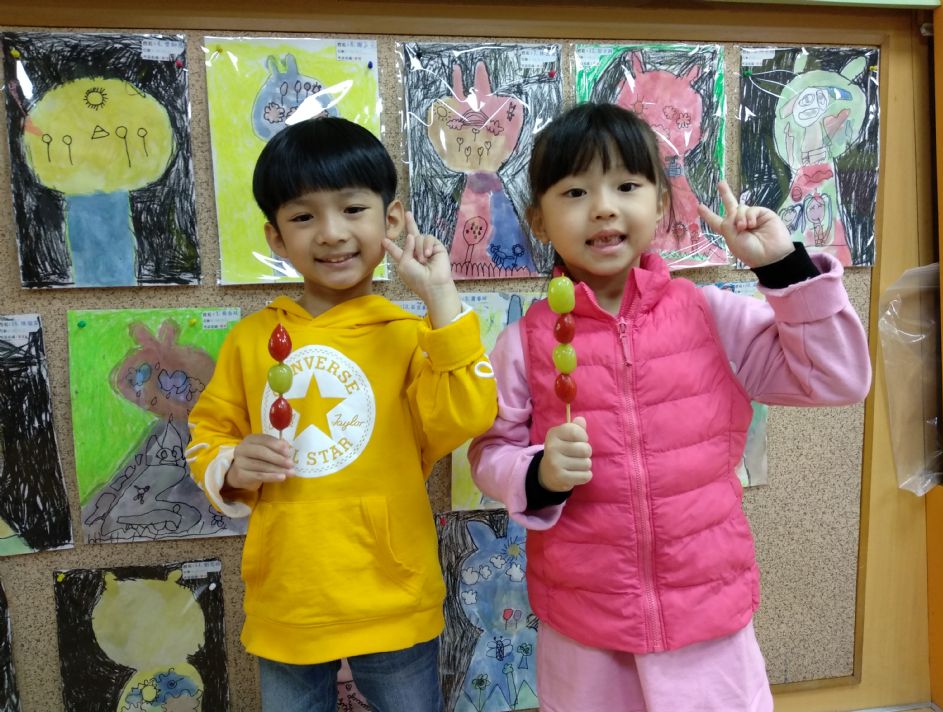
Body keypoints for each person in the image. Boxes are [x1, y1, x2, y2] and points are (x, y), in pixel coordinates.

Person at [467, 102, 871, 712]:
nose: (604, 207)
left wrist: (783, 267)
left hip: (707, 618)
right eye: (575, 191)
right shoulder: (524, 342)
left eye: (626, 186)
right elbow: (489, 452)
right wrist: (537, 475)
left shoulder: (711, 314)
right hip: (587, 627)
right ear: (539, 222)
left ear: (660, 205)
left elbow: (839, 378)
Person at [187, 116, 498, 712]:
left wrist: (441, 299)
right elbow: (208, 434)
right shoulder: (251, 340)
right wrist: (231, 465)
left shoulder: (414, 335)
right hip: (290, 597)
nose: (331, 234)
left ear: (392, 219)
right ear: (276, 237)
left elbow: (468, 413)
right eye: (304, 217)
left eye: (353, 209)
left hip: (393, 595)